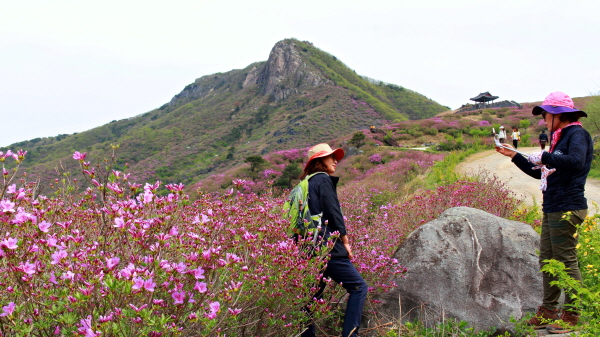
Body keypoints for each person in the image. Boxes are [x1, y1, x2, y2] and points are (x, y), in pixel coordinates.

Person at [495, 91, 592, 334]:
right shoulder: (559, 137)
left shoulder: (576, 134)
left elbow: (577, 161)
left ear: (559, 115)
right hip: (553, 207)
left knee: (566, 262)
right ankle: (548, 311)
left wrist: (546, 156)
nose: (544, 119)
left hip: (568, 207)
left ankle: (572, 315)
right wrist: (515, 155)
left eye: (546, 114)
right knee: (548, 261)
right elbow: (542, 172)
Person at [300, 143, 368, 337]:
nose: (335, 160)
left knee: (312, 296)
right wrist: (345, 241)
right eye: (331, 157)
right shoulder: (322, 180)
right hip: (326, 246)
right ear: (320, 161)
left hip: (307, 248)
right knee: (358, 287)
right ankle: (350, 335)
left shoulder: (305, 183)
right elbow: (334, 213)